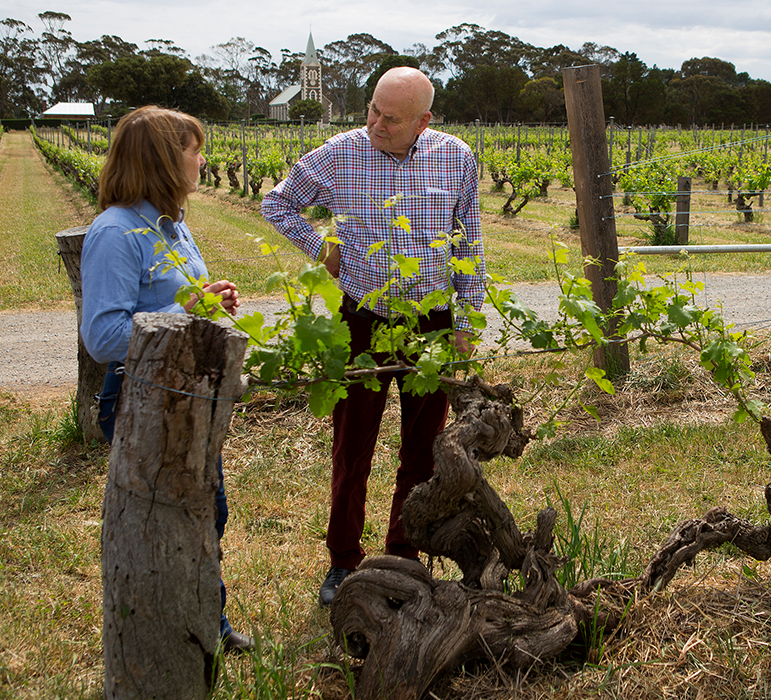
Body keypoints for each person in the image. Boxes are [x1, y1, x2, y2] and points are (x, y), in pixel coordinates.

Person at [261, 67, 484, 607]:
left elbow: (468, 241)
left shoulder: (457, 157)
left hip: (430, 323)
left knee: (423, 451)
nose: (375, 124)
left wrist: (467, 321)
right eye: (372, 111)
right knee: (352, 445)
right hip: (361, 318)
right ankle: (342, 562)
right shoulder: (339, 154)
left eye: (390, 118)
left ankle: (402, 558)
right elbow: (277, 203)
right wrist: (323, 249)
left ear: (423, 121)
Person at [79, 105, 253, 653]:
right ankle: (169, 633)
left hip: (186, 394)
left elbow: (167, 306)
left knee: (206, 507)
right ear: (163, 159)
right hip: (142, 398)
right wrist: (186, 316)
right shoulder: (116, 233)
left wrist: (203, 301)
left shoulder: (171, 224)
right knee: (174, 516)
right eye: (192, 150)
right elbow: (104, 337)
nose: (203, 159)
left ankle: (204, 620)